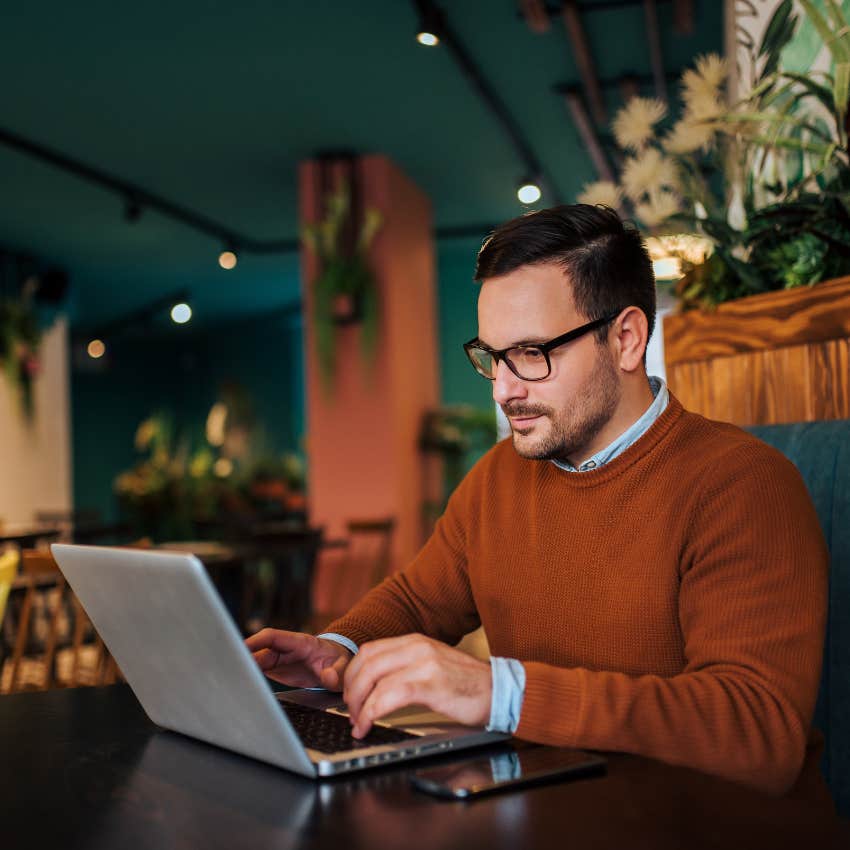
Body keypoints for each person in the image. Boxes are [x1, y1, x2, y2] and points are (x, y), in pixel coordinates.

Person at [247, 205, 828, 796]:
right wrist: (335, 649)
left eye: (532, 353)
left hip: (699, 828)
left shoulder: (743, 485)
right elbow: (419, 599)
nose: (504, 389)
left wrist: (500, 692)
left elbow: (759, 730)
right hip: (545, 804)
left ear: (626, 339)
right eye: (493, 357)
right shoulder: (500, 476)